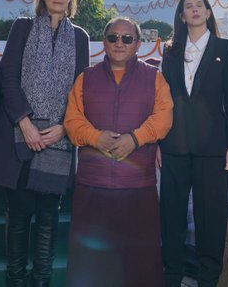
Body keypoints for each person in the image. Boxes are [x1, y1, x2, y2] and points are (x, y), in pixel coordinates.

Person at [0, 0, 90, 287]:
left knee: (48, 218)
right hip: (22, 136)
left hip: (58, 140)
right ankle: (16, 280)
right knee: (18, 216)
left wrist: (63, 128)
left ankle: (40, 281)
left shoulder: (80, 37)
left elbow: (80, 89)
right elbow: (8, 77)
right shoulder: (23, 28)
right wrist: (25, 122)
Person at [63, 17, 173, 287]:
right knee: (91, 265)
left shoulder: (154, 78)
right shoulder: (86, 78)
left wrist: (135, 139)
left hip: (138, 187)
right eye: (113, 37)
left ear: (138, 44)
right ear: (104, 43)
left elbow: (164, 118)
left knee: (139, 264)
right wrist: (96, 138)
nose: (119, 43)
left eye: (127, 38)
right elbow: (72, 121)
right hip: (93, 186)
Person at [159, 0, 228, 287]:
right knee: (172, 219)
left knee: (211, 221)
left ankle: (208, 280)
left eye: (199, 5)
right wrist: (157, 143)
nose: (194, 10)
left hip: (213, 149)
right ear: (181, 15)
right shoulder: (170, 51)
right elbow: (162, 102)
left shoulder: (225, 48)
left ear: (208, 12)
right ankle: (172, 277)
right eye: (187, 6)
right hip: (173, 148)